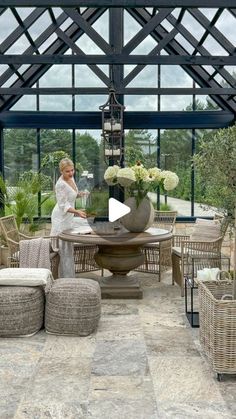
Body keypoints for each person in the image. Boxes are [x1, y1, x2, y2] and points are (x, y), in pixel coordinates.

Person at [50, 158, 86, 277]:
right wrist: (77, 212)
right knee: (65, 250)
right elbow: (63, 205)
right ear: (61, 171)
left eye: (72, 170)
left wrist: (81, 194)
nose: (70, 173)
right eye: (67, 171)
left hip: (69, 216)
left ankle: (70, 277)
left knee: (69, 249)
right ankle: (66, 279)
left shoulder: (71, 178)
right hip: (60, 217)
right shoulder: (60, 184)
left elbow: (72, 195)